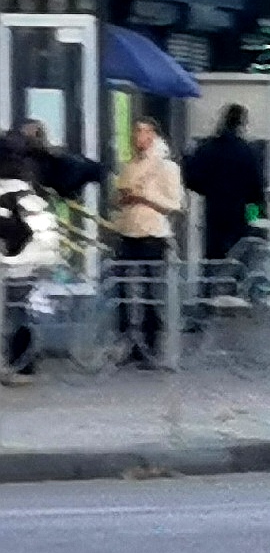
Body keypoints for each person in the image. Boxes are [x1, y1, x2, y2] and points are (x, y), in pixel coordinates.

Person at [112, 116, 183, 368]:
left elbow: (175, 204)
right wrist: (124, 198)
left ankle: (152, 345)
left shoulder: (166, 167)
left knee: (152, 291)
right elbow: (117, 199)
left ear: (153, 135)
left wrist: (145, 197)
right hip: (127, 232)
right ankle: (130, 341)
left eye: (143, 132)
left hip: (153, 235)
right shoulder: (129, 165)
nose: (138, 137)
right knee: (124, 289)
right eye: (135, 131)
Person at [0, 129, 60, 382]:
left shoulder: (8, 187)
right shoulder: (26, 181)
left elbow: (11, 226)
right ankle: (23, 363)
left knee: (15, 311)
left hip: (17, 260)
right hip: (29, 257)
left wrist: (9, 250)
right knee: (19, 310)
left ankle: (20, 365)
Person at [182, 104, 268, 264]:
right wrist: (256, 212)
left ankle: (214, 277)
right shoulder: (247, 151)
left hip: (214, 210)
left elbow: (192, 179)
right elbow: (256, 187)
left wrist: (208, 189)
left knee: (214, 258)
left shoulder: (208, 148)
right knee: (239, 257)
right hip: (239, 212)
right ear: (241, 124)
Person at [18, 118, 101, 201]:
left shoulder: (64, 159)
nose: (32, 139)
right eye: (25, 136)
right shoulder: (18, 162)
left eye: (38, 133)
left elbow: (99, 172)